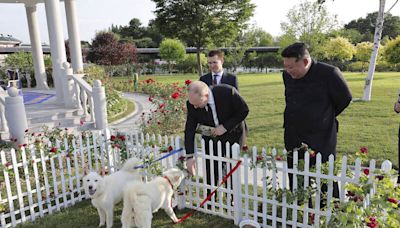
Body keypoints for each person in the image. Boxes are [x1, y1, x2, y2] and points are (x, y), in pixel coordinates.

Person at [281, 42, 352, 200]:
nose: (288, 71)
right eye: (285, 66)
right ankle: (299, 208)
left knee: (325, 177)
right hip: (293, 133)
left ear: (305, 62)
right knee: (296, 175)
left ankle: (329, 213)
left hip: (322, 136)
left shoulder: (329, 73)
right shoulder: (287, 75)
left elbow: (345, 98)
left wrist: (324, 116)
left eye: (291, 66)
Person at [184, 81, 249, 200]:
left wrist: (225, 127)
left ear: (206, 96)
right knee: (211, 165)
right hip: (211, 136)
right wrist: (189, 157)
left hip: (233, 133)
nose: (195, 107)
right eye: (193, 104)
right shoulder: (192, 103)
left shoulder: (228, 92)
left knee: (230, 166)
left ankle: (232, 198)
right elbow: (189, 129)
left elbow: (243, 110)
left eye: (197, 104)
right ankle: (210, 198)